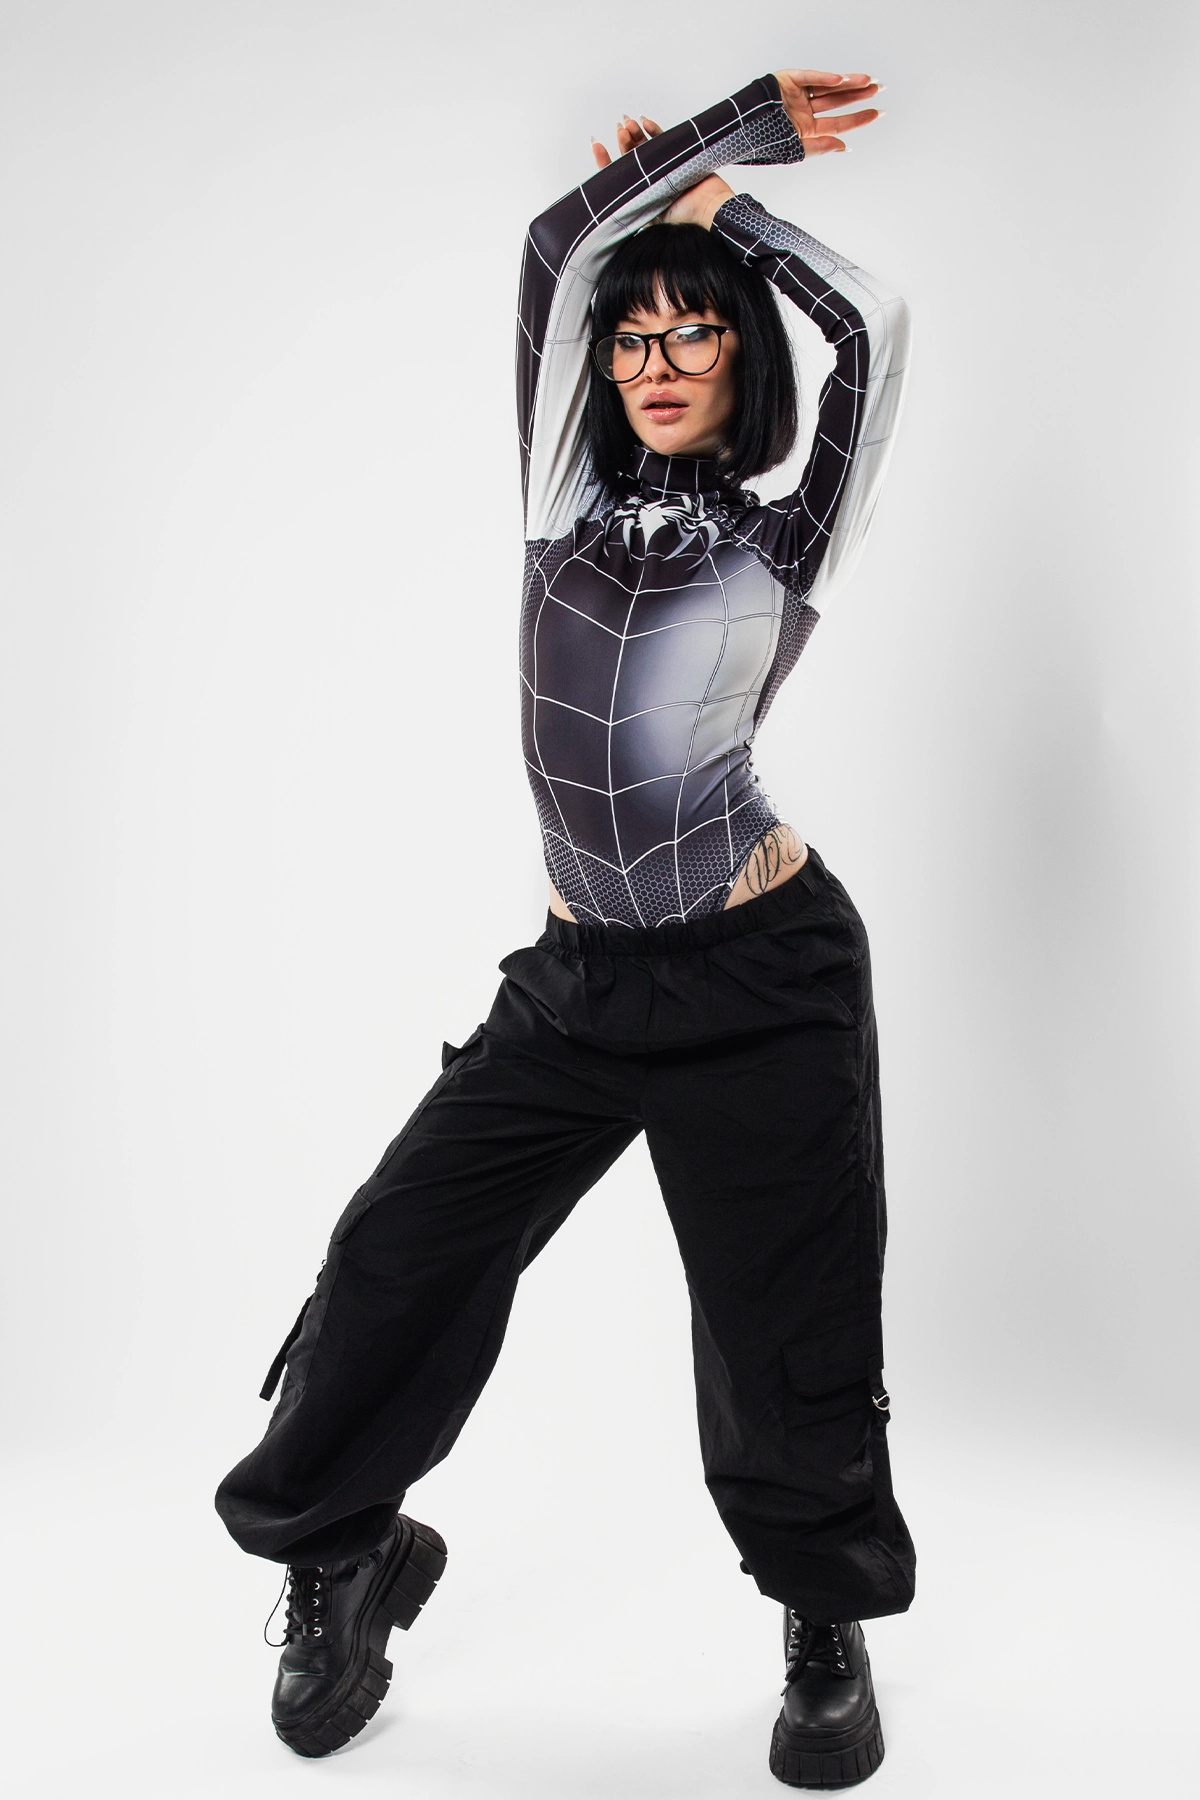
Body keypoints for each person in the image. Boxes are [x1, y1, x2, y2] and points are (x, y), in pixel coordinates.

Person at [215, 64, 915, 1789]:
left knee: (786, 1324)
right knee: (396, 1256)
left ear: (743, 358)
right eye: (634, 336)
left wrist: (731, 211)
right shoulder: (554, 496)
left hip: (761, 975)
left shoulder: (791, 538)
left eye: (696, 331)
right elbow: (556, 244)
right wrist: (723, 127)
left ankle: (821, 1620)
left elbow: (879, 328)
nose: (657, 359)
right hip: (579, 985)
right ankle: (347, 1551)